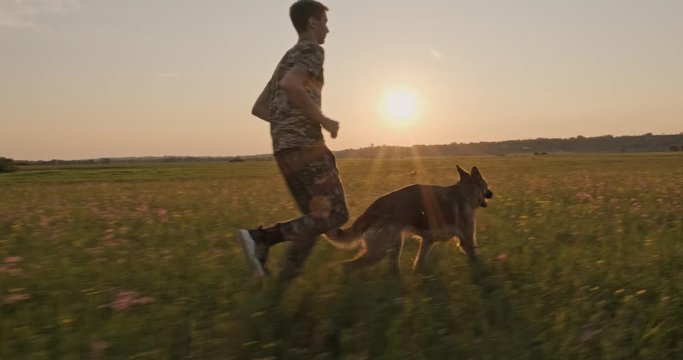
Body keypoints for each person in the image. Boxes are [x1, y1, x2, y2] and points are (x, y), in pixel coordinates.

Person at [237, 0, 349, 282]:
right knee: (335, 215)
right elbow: (291, 84)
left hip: (284, 149)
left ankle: (285, 282)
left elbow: (261, 107)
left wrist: (287, 126)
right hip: (306, 147)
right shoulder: (312, 50)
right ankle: (260, 238)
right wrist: (323, 120)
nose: (328, 29)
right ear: (312, 22)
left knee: (313, 218)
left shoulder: (287, 57)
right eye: (324, 22)